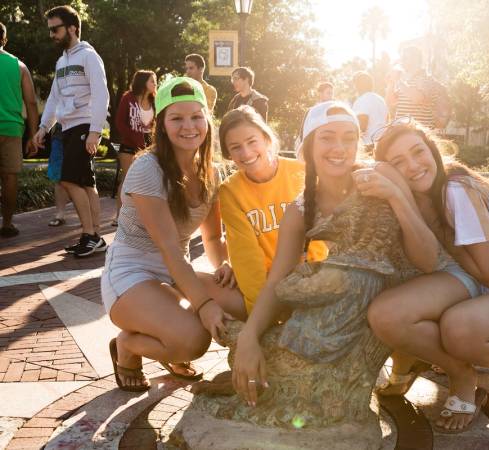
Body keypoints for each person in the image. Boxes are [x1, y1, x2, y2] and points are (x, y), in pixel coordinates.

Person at [230, 101, 442, 406]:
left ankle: (454, 370)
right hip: (365, 296)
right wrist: (248, 338)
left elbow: (429, 259)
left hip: (417, 287)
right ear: (309, 146)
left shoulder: (381, 173)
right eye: (327, 137)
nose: (339, 147)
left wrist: (395, 196)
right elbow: (278, 279)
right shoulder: (300, 209)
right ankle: (403, 363)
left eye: (348, 137)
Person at [368, 118, 489, 431]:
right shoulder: (423, 196)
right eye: (398, 162)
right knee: (390, 313)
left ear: (431, 149)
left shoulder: (455, 188)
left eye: (418, 152)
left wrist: (445, 238)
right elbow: (428, 263)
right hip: (485, 295)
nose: (413, 166)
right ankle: (461, 369)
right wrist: (398, 198)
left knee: (457, 328)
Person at [101, 77, 234, 392]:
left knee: (243, 300)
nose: (189, 126)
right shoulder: (148, 169)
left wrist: (225, 267)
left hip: (175, 271)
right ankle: (129, 347)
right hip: (131, 272)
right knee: (192, 341)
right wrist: (204, 305)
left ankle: (167, 335)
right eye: (177, 118)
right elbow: (169, 249)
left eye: (196, 116)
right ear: (161, 124)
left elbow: (213, 239)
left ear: (207, 120)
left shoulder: (211, 172)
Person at [217, 105, 327, 318]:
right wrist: (263, 316)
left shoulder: (302, 172)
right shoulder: (230, 191)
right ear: (228, 153)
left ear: (266, 138)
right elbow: (246, 259)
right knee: (203, 284)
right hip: (270, 286)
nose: (246, 153)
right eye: (236, 147)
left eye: (252, 142)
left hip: (316, 277)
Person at [32, 5, 109, 257]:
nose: (52, 34)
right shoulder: (62, 61)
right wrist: (44, 127)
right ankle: (94, 236)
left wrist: (96, 131)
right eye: (50, 30)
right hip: (67, 128)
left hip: (84, 125)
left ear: (72, 28)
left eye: (56, 29)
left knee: (68, 179)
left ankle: (90, 235)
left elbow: (101, 94)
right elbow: (54, 98)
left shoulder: (88, 56)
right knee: (86, 183)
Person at [0, 21, 39, 238]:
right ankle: (7, 224)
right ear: (4, 40)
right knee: (9, 178)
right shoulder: (19, 66)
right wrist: (33, 134)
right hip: (11, 129)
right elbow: (31, 102)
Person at [113, 70, 157, 225]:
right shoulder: (128, 98)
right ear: (143, 82)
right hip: (129, 146)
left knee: (147, 181)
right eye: (152, 81)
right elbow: (119, 123)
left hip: (149, 148)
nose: (155, 84)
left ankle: (143, 217)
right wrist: (135, 138)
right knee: (126, 181)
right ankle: (119, 216)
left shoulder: (155, 101)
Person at [385, 46, 445, 130]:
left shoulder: (426, 78)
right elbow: (390, 102)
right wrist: (391, 83)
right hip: (402, 133)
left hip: (420, 136)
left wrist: (398, 80)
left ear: (415, 59)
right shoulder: (406, 82)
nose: (401, 61)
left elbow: (417, 98)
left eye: (405, 58)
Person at [352, 71, 388, 154]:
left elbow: (362, 126)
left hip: (368, 145)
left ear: (357, 86)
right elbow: (387, 120)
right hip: (382, 143)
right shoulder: (381, 99)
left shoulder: (362, 100)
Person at [46, 124, 71, 227]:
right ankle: (60, 215)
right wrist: (43, 128)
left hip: (82, 132)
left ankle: (89, 219)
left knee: (84, 178)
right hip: (59, 134)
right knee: (58, 177)